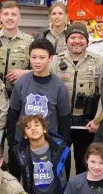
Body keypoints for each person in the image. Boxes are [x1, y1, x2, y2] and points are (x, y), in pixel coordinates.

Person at [7, 38, 72, 179]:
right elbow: (13, 114)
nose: (37, 61)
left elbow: (65, 119)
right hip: (22, 142)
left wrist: (64, 145)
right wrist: (12, 142)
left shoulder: (59, 86)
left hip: (48, 143)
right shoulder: (21, 83)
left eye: (42, 57)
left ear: (50, 59)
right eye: (34, 57)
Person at [52, 23, 103, 175]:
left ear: (87, 41)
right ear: (67, 40)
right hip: (60, 121)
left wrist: (98, 118)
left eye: (81, 37)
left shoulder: (99, 62)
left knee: (85, 163)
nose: (77, 41)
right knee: (59, 162)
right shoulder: (55, 61)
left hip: (87, 123)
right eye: (72, 37)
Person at [0, 1, 33, 96]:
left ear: (19, 18)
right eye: (6, 14)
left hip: (20, 94)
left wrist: (26, 73)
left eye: (13, 14)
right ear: (1, 17)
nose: (9, 18)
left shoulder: (30, 42)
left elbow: (42, 70)